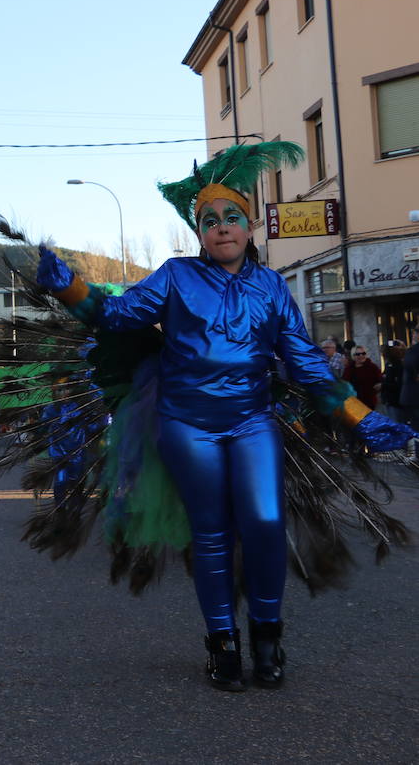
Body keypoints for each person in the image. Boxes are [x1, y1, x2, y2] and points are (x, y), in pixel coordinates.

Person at [35, 141, 417, 691]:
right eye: (209, 221)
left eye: (232, 217)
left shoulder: (269, 287)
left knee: (265, 522)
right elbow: (116, 316)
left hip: (251, 420)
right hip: (186, 425)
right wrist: (70, 287)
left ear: (251, 226)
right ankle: (222, 645)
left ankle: (267, 637)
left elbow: (306, 362)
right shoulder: (174, 277)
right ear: (199, 233)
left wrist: (361, 417)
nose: (221, 228)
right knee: (211, 533)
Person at [342, 345, 383, 411]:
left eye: (363, 353)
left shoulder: (372, 367)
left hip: (369, 402)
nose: (361, 356)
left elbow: (380, 381)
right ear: (353, 356)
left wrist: (379, 386)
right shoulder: (349, 368)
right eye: (358, 354)